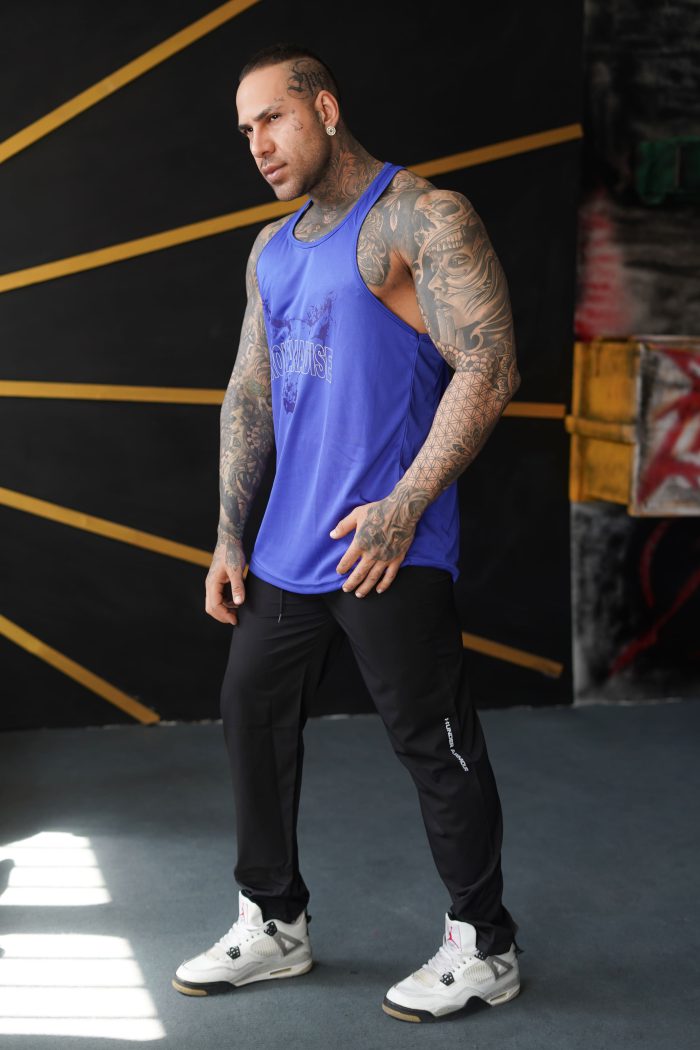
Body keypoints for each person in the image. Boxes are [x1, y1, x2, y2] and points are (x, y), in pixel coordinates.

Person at [172, 42, 523, 1023]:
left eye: (273, 118)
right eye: (245, 130)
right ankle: (273, 921)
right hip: (288, 549)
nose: (259, 144)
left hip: (387, 546)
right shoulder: (273, 248)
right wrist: (229, 535)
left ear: (324, 109)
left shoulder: (422, 216)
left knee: (433, 743)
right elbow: (248, 394)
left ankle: (484, 944)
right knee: (249, 712)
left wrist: (406, 503)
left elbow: (489, 366)